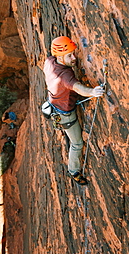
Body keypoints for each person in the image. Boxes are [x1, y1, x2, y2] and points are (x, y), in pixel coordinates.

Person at [43, 36, 104, 185]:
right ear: (60, 56)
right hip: (65, 115)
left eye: (73, 53)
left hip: (53, 105)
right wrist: (92, 92)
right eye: (69, 55)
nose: (74, 57)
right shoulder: (65, 76)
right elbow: (78, 88)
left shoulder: (49, 61)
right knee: (76, 144)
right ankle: (74, 171)